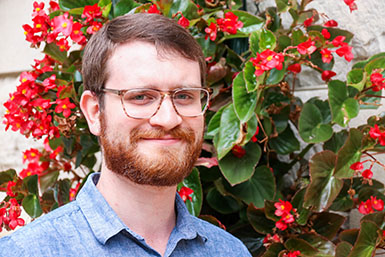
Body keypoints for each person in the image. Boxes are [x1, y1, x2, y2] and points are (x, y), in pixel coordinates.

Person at [0, 13, 251, 257]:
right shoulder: (27, 252)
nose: (168, 119)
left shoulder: (229, 251)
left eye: (184, 96)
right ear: (95, 112)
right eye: (140, 96)